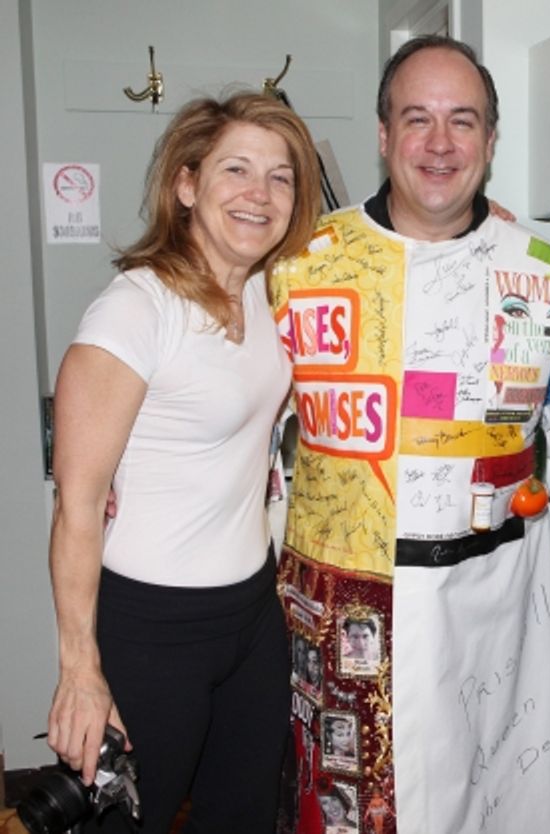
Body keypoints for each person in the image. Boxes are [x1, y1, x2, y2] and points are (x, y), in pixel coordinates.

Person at [272, 35, 550, 834]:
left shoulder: (542, 275)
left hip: (498, 612)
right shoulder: (303, 268)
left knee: (498, 804)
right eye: (417, 120)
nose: (441, 144)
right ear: (383, 136)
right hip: (351, 612)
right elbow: (242, 430)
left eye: (464, 121)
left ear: (490, 140)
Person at [45, 92, 321, 832]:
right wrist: (81, 669)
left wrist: (480, 234)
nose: (258, 194)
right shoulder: (136, 308)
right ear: (188, 185)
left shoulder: (274, 291)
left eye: (280, 176)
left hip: (252, 617)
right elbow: (76, 504)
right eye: (236, 169)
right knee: (129, 821)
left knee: (240, 817)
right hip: (151, 626)